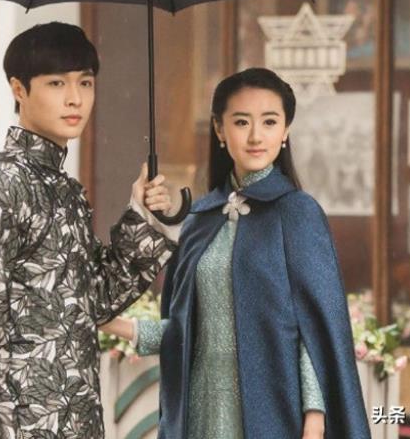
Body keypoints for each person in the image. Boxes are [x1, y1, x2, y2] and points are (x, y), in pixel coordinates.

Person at [101, 68, 370, 438]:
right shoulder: (200, 218)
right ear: (219, 129)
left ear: (286, 131)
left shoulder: (298, 214)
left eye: (270, 122)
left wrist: (314, 418)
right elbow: (182, 332)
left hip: (276, 415)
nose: (256, 136)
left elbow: (314, 332)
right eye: (241, 122)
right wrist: (104, 318)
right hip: (201, 414)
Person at [0, 22, 178, 438]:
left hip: (78, 419)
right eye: (56, 83)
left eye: (85, 83)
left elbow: (95, 301)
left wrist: (140, 213)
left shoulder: (64, 189)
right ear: (19, 89)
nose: (76, 99)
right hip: (23, 427)